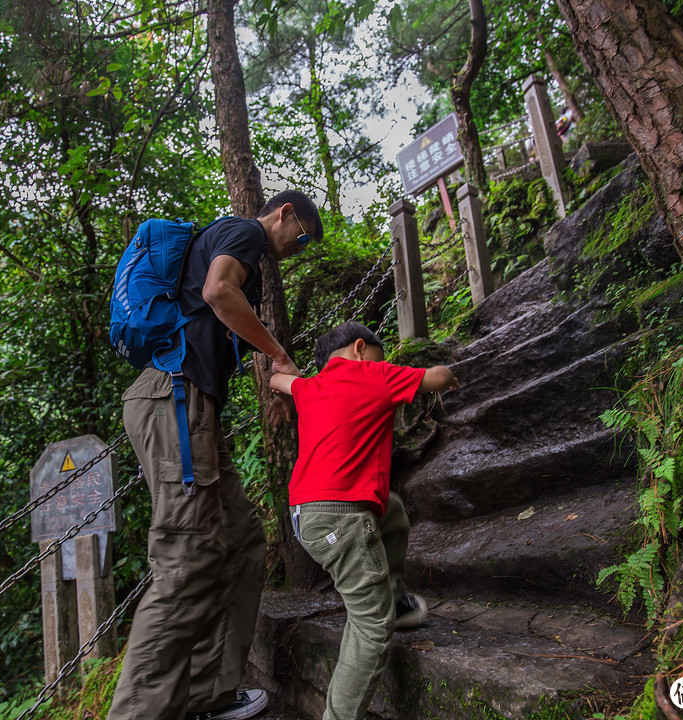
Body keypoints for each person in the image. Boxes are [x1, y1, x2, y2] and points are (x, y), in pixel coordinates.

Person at [107, 191, 323, 720]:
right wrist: (278, 353)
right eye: (302, 238)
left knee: (242, 541)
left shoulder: (236, 246)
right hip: (174, 399)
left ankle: (210, 694)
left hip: (190, 406)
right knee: (188, 556)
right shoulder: (244, 233)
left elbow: (218, 312)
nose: (299, 249)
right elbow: (218, 291)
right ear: (285, 213)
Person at [269, 321, 459, 720]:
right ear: (360, 348)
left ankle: (397, 602)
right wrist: (451, 377)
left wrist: (283, 395)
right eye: (379, 356)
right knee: (371, 625)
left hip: (306, 515)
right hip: (343, 519)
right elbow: (436, 377)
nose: (382, 363)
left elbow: (281, 381)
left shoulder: (310, 387)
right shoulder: (374, 374)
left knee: (391, 510)